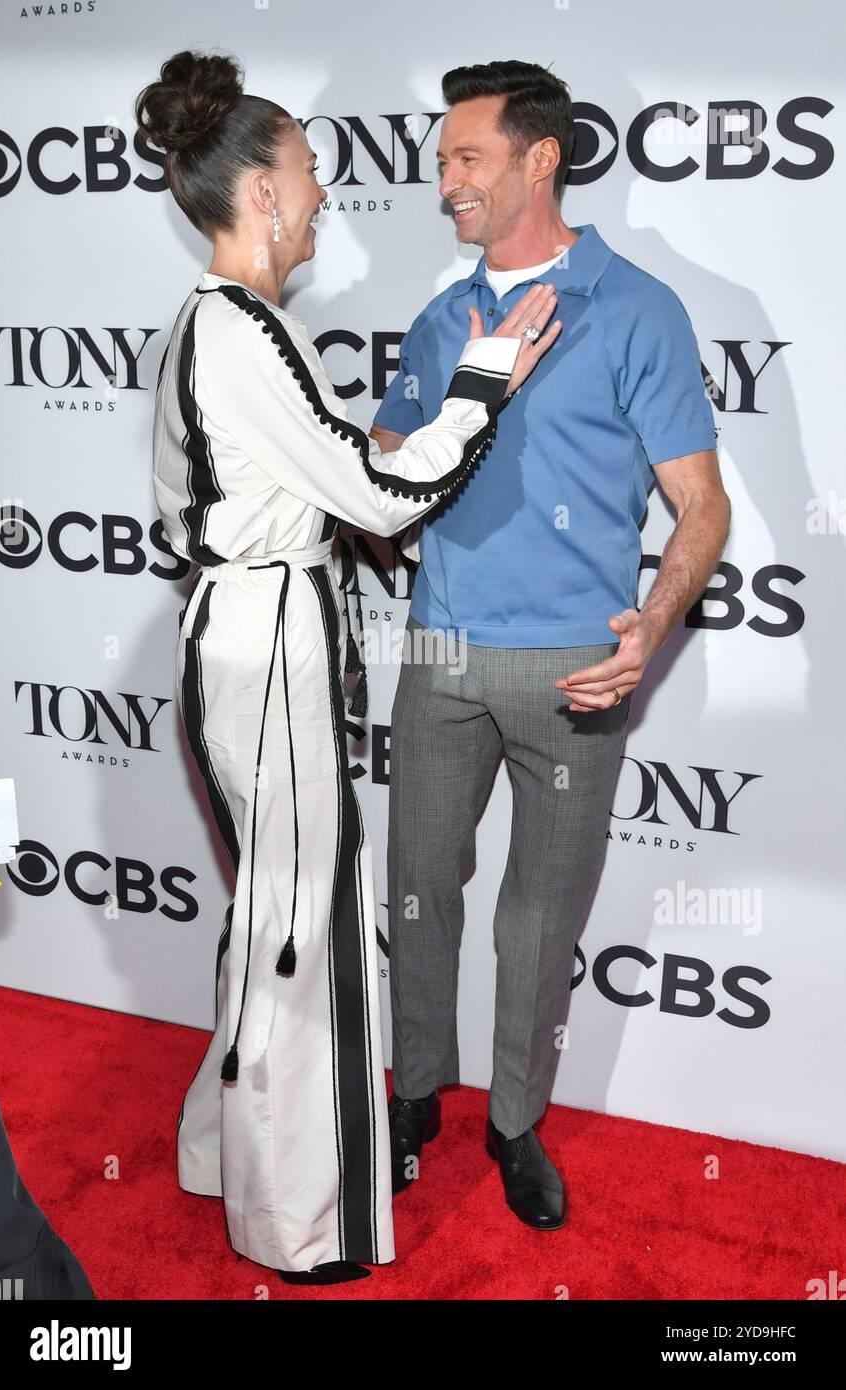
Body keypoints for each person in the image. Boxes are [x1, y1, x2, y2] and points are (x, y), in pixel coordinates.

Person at [134, 49, 559, 1283]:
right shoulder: (235, 329)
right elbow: (380, 485)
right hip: (265, 652)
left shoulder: (219, 327)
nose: (324, 196)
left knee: (273, 915)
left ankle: (227, 1157)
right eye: (310, 174)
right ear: (260, 193)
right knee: (299, 933)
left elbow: (224, 504)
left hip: (250, 638)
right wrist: (482, 380)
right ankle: (293, 1225)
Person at [371, 59, 731, 1230]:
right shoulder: (439, 316)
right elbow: (382, 466)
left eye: (464, 158)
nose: (443, 184)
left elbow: (701, 505)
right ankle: (414, 1095)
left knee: (539, 916)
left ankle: (514, 1120)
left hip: (579, 667)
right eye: (438, 161)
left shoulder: (635, 309)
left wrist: (655, 616)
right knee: (419, 890)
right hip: (438, 655)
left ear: (541, 158)